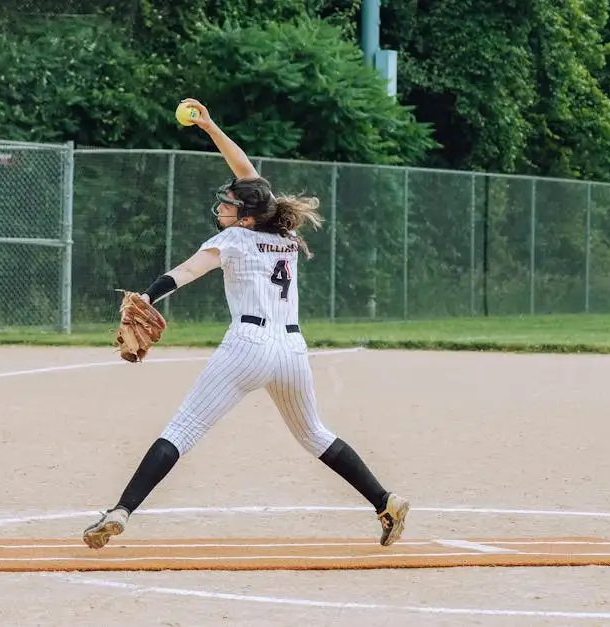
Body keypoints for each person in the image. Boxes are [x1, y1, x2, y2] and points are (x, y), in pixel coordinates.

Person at [81, 99, 409, 549]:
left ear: (247, 216)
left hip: (248, 346)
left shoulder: (233, 238)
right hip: (293, 351)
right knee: (315, 434)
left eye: (230, 204)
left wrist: (146, 296)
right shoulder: (285, 236)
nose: (223, 206)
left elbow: (186, 272)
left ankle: (120, 510)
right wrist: (211, 126)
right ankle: (386, 502)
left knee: (181, 430)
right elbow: (250, 174)